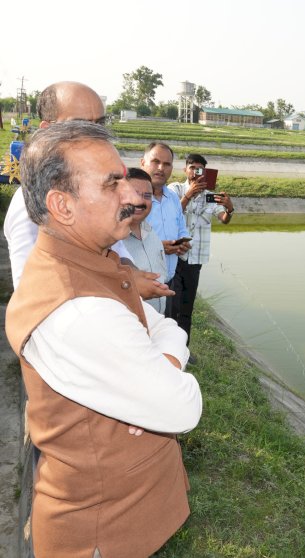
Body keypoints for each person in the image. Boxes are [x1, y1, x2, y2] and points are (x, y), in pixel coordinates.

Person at [5, 120, 202, 558]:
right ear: (63, 206)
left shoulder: (91, 259)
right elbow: (183, 406)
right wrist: (163, 366)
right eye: (112, 184)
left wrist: (157, 359)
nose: (132, 195)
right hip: (102, 537)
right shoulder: (79, 309)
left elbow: (161, 326)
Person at [2, 81, 172, 303]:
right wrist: (125, 284)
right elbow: (31, 295)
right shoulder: (29, 203)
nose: (95, 135)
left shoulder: (96, 187)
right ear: (47, 129)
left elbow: (117, 252)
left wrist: (132, 275)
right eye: (80, 125)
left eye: (100, 124)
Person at [168, 154, 235, 344]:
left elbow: (224, 220)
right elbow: (172, 214)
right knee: (173, 306)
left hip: (195, 260)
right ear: (185, 170)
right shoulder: (175, 189)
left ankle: (184, 349)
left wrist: (230, 209)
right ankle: (169, 346)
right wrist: (189, 195)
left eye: (200, 169)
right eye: (193, 168)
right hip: (175, 256)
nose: (196, 172)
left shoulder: (210, 197)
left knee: (187, 308)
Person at [141, 142, 191, 315]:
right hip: (142, 284)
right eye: (155, 162)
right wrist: (159, 247)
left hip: (168, 281)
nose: (161, 168)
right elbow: (122, 240)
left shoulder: (173, 198)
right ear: (143, 163)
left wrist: (182, 243)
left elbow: (182, 229)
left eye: (167, 164)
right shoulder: (131, 198)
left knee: (165, 329)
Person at [122, 168, 168, 314]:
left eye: (147, 196)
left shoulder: (152, 233)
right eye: (134, 194)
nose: (140, 201)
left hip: (158, 322)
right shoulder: (110, 243)